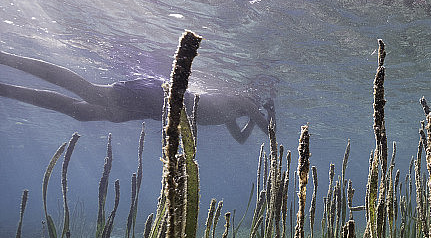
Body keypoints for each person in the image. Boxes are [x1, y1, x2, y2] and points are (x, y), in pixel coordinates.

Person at [0, 51, 274, 144]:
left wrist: (258, 117)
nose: (254, 103)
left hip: (157, 108)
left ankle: (6, 89)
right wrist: (270, 113)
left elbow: (240, 138)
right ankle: (6, 59)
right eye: (255, 99)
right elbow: (267, 131)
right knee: (89, 90)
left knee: (81, 111)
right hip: (158, 95)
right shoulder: (243, 103)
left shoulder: (234, 112)